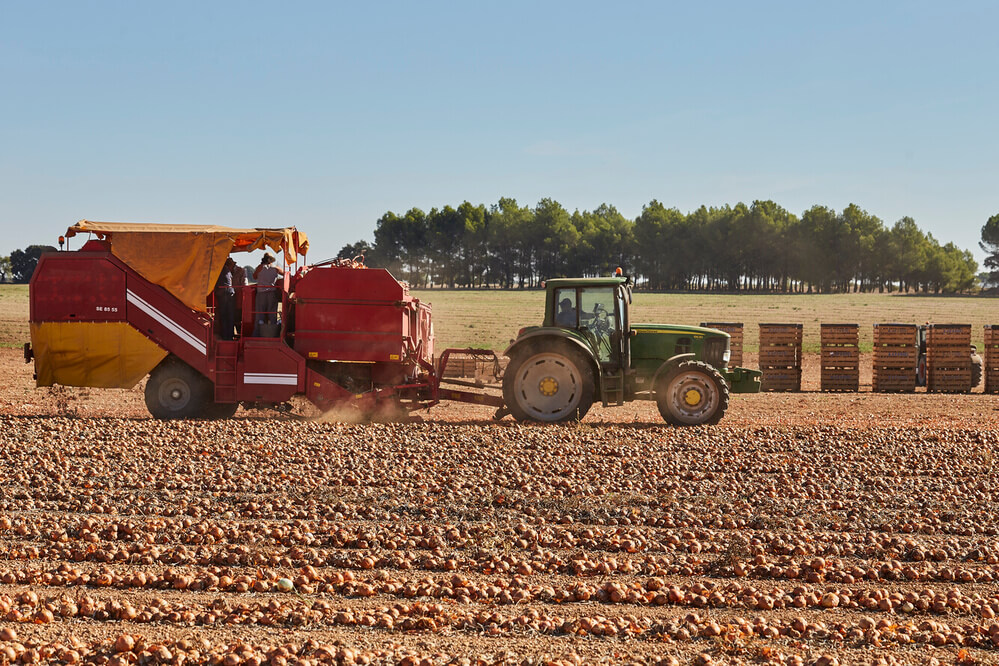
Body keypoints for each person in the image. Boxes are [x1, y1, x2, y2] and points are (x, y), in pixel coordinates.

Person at [253, 253, 284, 336]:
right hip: (272, 293)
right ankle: (273, 334)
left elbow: (254, 276)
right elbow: (285, 274)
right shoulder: (276, 268)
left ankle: (257, 334)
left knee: (260, 315)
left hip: (261, 293)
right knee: (272, 315)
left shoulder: (260, 268)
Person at [214, 258, 236, 341]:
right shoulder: (227, 271)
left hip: (222, 293)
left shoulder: (220, 270)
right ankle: (229, 336)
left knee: (223, 316)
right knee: (229, 315)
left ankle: (225, 336)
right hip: (229, 293)